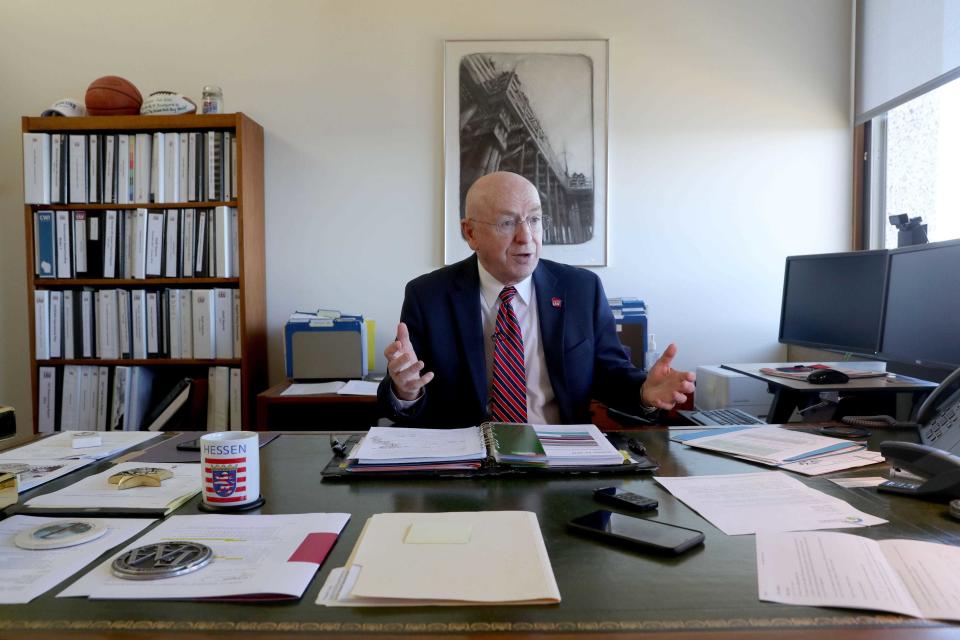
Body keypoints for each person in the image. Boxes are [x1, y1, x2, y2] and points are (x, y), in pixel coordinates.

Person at [377, 171, 695, 428]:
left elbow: (610, 375)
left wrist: (643, 391)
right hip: (467, 465)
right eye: (507, 223)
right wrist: (405, 391)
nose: (526, 237)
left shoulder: (581, 289)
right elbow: (402, 392)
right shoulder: (428, 295)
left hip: (562, 459)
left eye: (534, 220)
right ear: (470, 233)